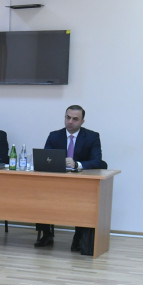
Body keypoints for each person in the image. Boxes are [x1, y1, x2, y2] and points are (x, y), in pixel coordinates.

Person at [34, 105, 105, 252]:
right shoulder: (54, 136)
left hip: (80, 183)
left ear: (82, 121)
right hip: (56, 181)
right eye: (68, 117)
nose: (70, 121)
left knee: (84, 202)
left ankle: (78, 237)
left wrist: (77, 164)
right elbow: (45, 159)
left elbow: (98, 161)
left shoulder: (92, 137)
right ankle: (46, 234)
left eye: (75, 119)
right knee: (41, 195)